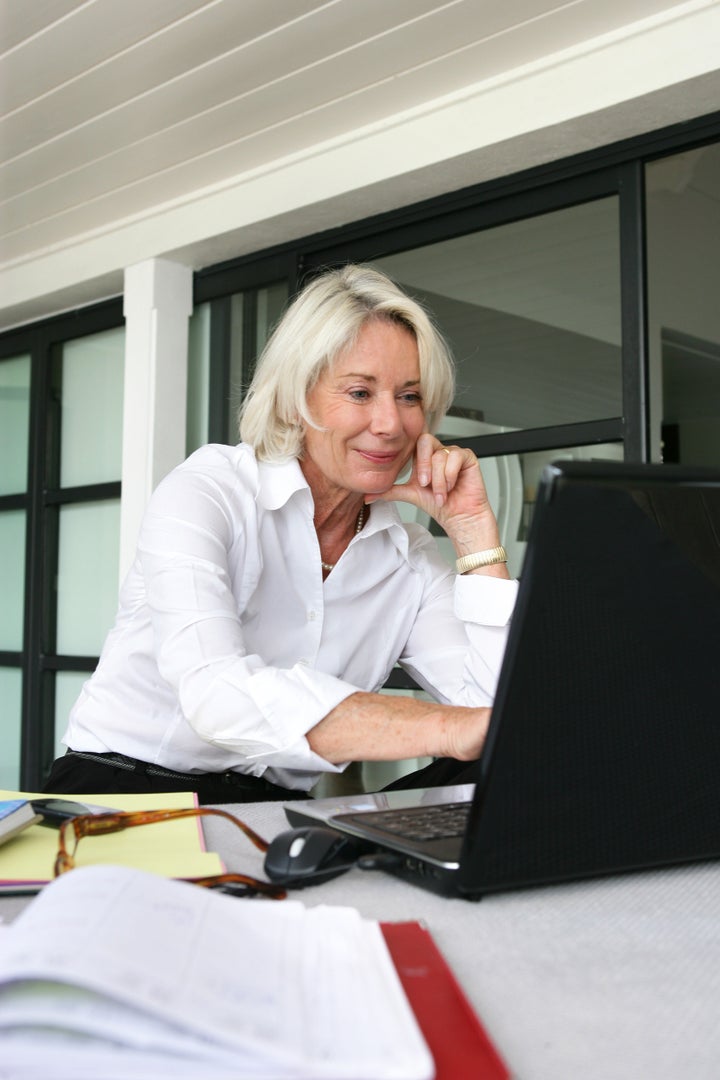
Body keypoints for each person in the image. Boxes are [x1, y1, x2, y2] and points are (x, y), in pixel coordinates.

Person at [44, 265, 518, 804]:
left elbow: (505, 717)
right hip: (126, 787)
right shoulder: (209, 492)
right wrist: (439, 727)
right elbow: (214, 696)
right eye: (360, 392)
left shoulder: (408, 557)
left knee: (498, 767)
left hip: (269, 806)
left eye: (408, 397)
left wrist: (474, 532)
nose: (391, 424)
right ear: (297, 399)